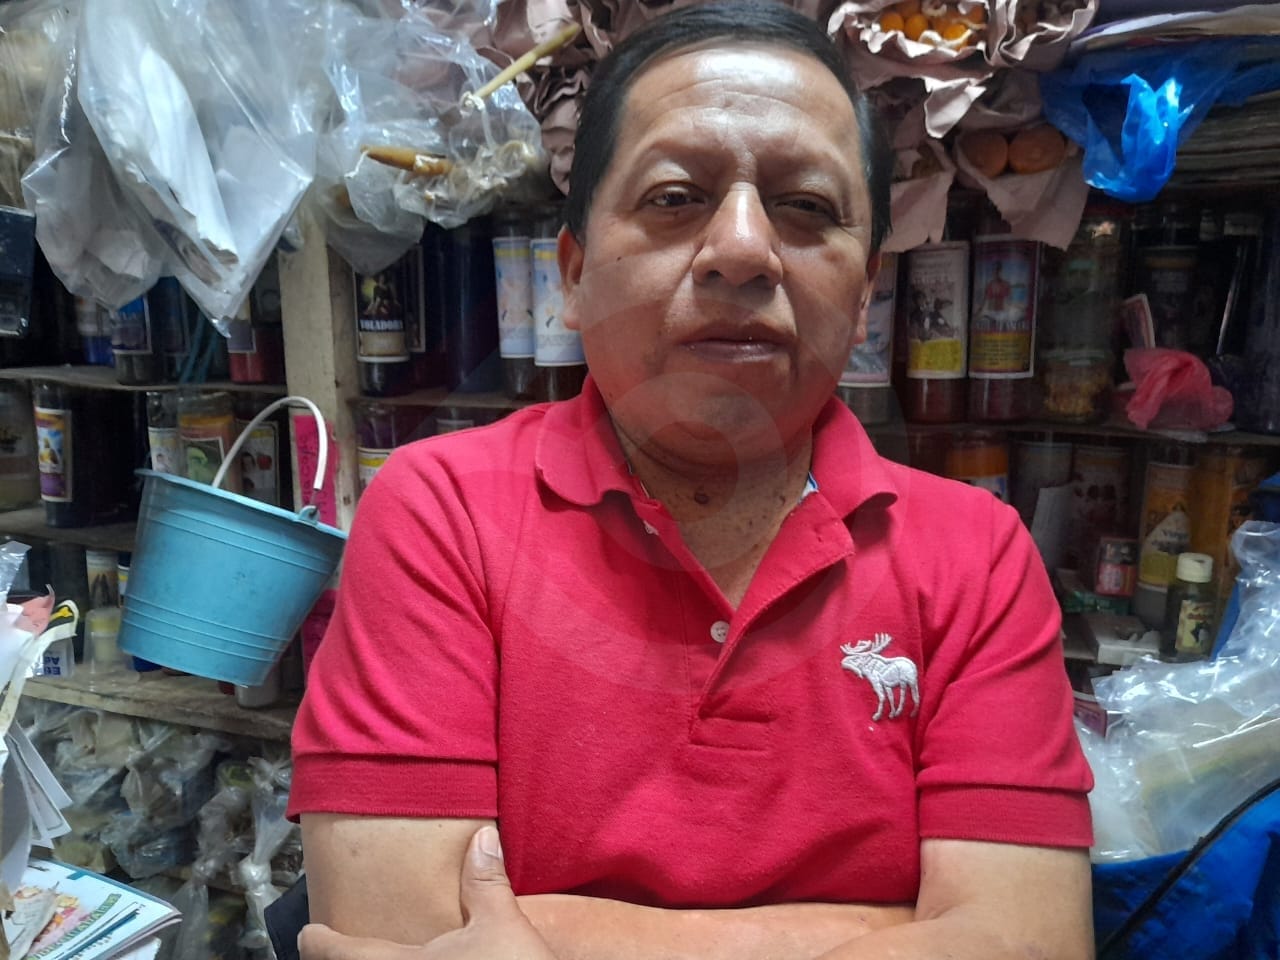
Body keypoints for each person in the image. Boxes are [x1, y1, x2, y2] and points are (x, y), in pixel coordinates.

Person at [289, 3, 1095, 959]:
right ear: (573, 275)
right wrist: (893, 933)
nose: (744, 250)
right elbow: (394, 930)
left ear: (864, 293)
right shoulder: (442, 512)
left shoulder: (977, 557)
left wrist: (547, 932)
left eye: (808, 207)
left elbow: (1031, 944)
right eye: (675, 197)